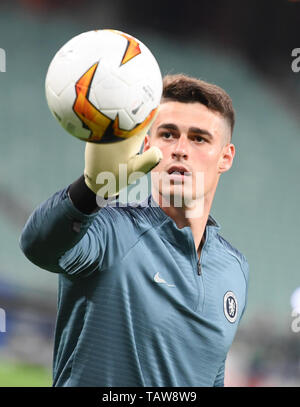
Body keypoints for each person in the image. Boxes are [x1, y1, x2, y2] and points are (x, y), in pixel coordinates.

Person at [19, 74, 249, 387]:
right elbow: (37, 245)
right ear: (147, 144)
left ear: (225, 157)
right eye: (168, 134)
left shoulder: (234, 269)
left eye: (199, 138)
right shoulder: (109, 229)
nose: (180, 149)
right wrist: (92, 188)